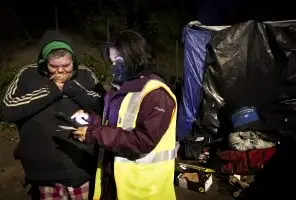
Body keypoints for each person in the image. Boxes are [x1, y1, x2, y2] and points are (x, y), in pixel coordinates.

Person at [71, 30, 178, 200]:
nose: (113, 66)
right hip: (112, 179)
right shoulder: (119, 88)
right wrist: (91, 119)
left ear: (134, 58)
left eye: (118, 61)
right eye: (112, 61)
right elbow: (114, 126)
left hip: (143, 189)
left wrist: (93, 134)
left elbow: (143, 141)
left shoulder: (155, 94)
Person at [1, 30, 103, 200]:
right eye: (54, 67)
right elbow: (6, 109)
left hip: (82, 169)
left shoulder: (85, 75)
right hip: (43, 173)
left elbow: (102, 103)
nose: (61, 71)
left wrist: (72, 88)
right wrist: (52, 90)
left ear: (73, 61)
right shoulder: (27, 74)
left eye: (66, 65)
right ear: (44, 62)